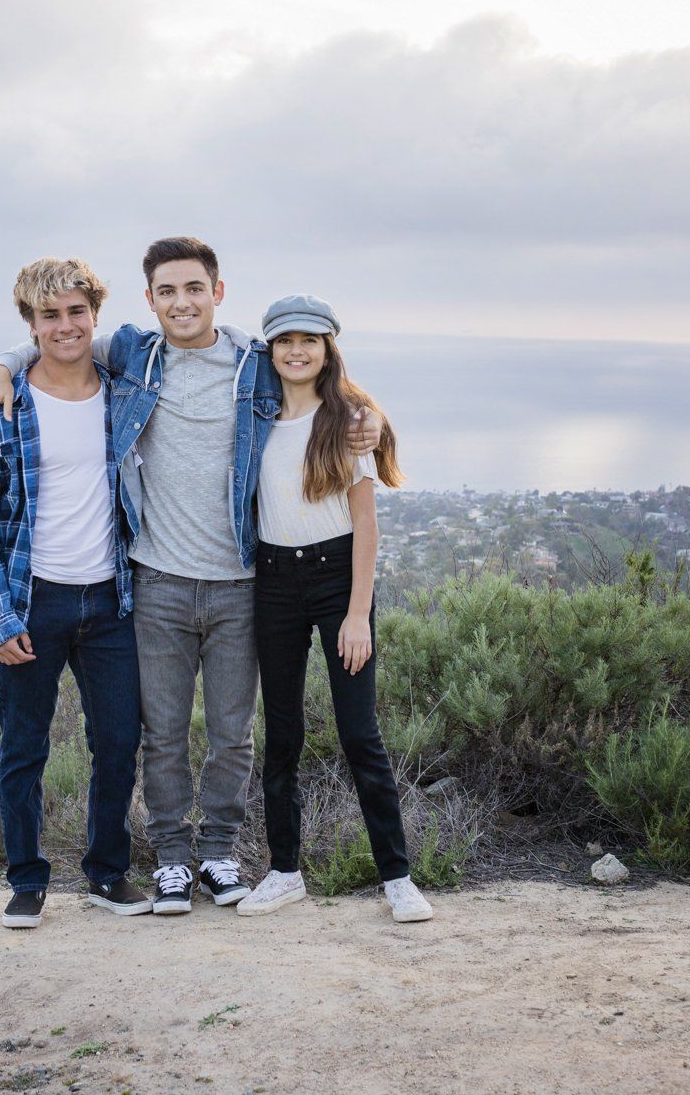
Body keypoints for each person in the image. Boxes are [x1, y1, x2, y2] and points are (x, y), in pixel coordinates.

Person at [0, 237, 384, 914]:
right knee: (159, 732)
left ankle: (218, 853)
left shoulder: (255, 363)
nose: (182, 302)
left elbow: (327, 385)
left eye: (194, 288)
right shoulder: (133, 354)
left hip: (239, 582)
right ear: (150, 300)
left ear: (218, 292)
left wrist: (373, 417)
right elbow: (51, 342)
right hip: (155, 580)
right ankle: (168, 858)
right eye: (167, 291)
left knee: (231, 732)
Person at [0, 257, 152, 929]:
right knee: (24, 745)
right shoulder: (4, 405)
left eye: (76, 311)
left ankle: (106, 873)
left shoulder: (123, 386)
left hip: (110, 600)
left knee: (121, 740)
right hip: (33, 599)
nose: (65, 325)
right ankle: (26, 881)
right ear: (31, 323)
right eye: (50, 315)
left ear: (93, 314)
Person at [234, 295, 433, 923]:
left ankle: (397, 877)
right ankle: (284, 871)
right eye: (285, 340)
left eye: (309, 341)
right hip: (272, 581)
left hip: (335, 579)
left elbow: (366, 526)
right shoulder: (255, 416)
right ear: (269, 348)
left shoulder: (349, 422)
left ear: (328, 349)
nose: (297, 351)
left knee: (359, 734)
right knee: (282, 732)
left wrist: (356, 614)